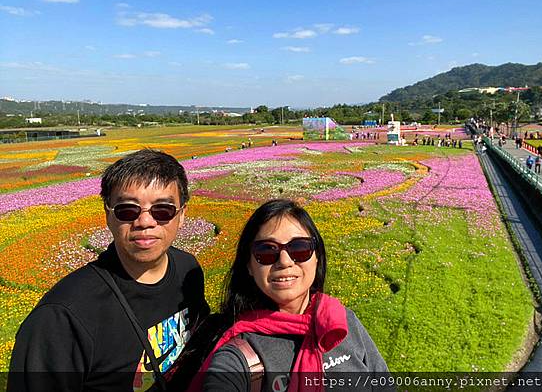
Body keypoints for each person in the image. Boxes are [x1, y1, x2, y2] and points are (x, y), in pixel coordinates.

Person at [9, 149, 210, 392]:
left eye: (162, 210)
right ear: (108, 215)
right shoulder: (60, 319)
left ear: (182, 214)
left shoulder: (188, 271)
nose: (145, 222)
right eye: (127, 210)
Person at [191, 199, 389, 391]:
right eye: (267, 250)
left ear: (317, 257)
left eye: (299, 248)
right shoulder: (241, 351)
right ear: (249, 266)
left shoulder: (341, 320)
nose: (285, 261)